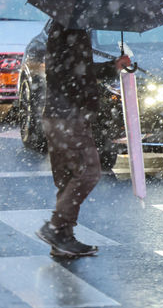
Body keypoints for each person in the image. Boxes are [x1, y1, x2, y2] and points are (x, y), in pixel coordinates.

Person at [36, 20, 131, 258]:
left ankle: (62, 239)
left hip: (62, 115)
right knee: (89, 172)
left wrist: (113, 66)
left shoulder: (70, 28)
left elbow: (78, 69)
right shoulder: (69, 30)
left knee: (68, 178)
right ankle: (56, 227)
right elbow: (73, 72)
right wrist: (110, 68)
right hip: (69, 117)